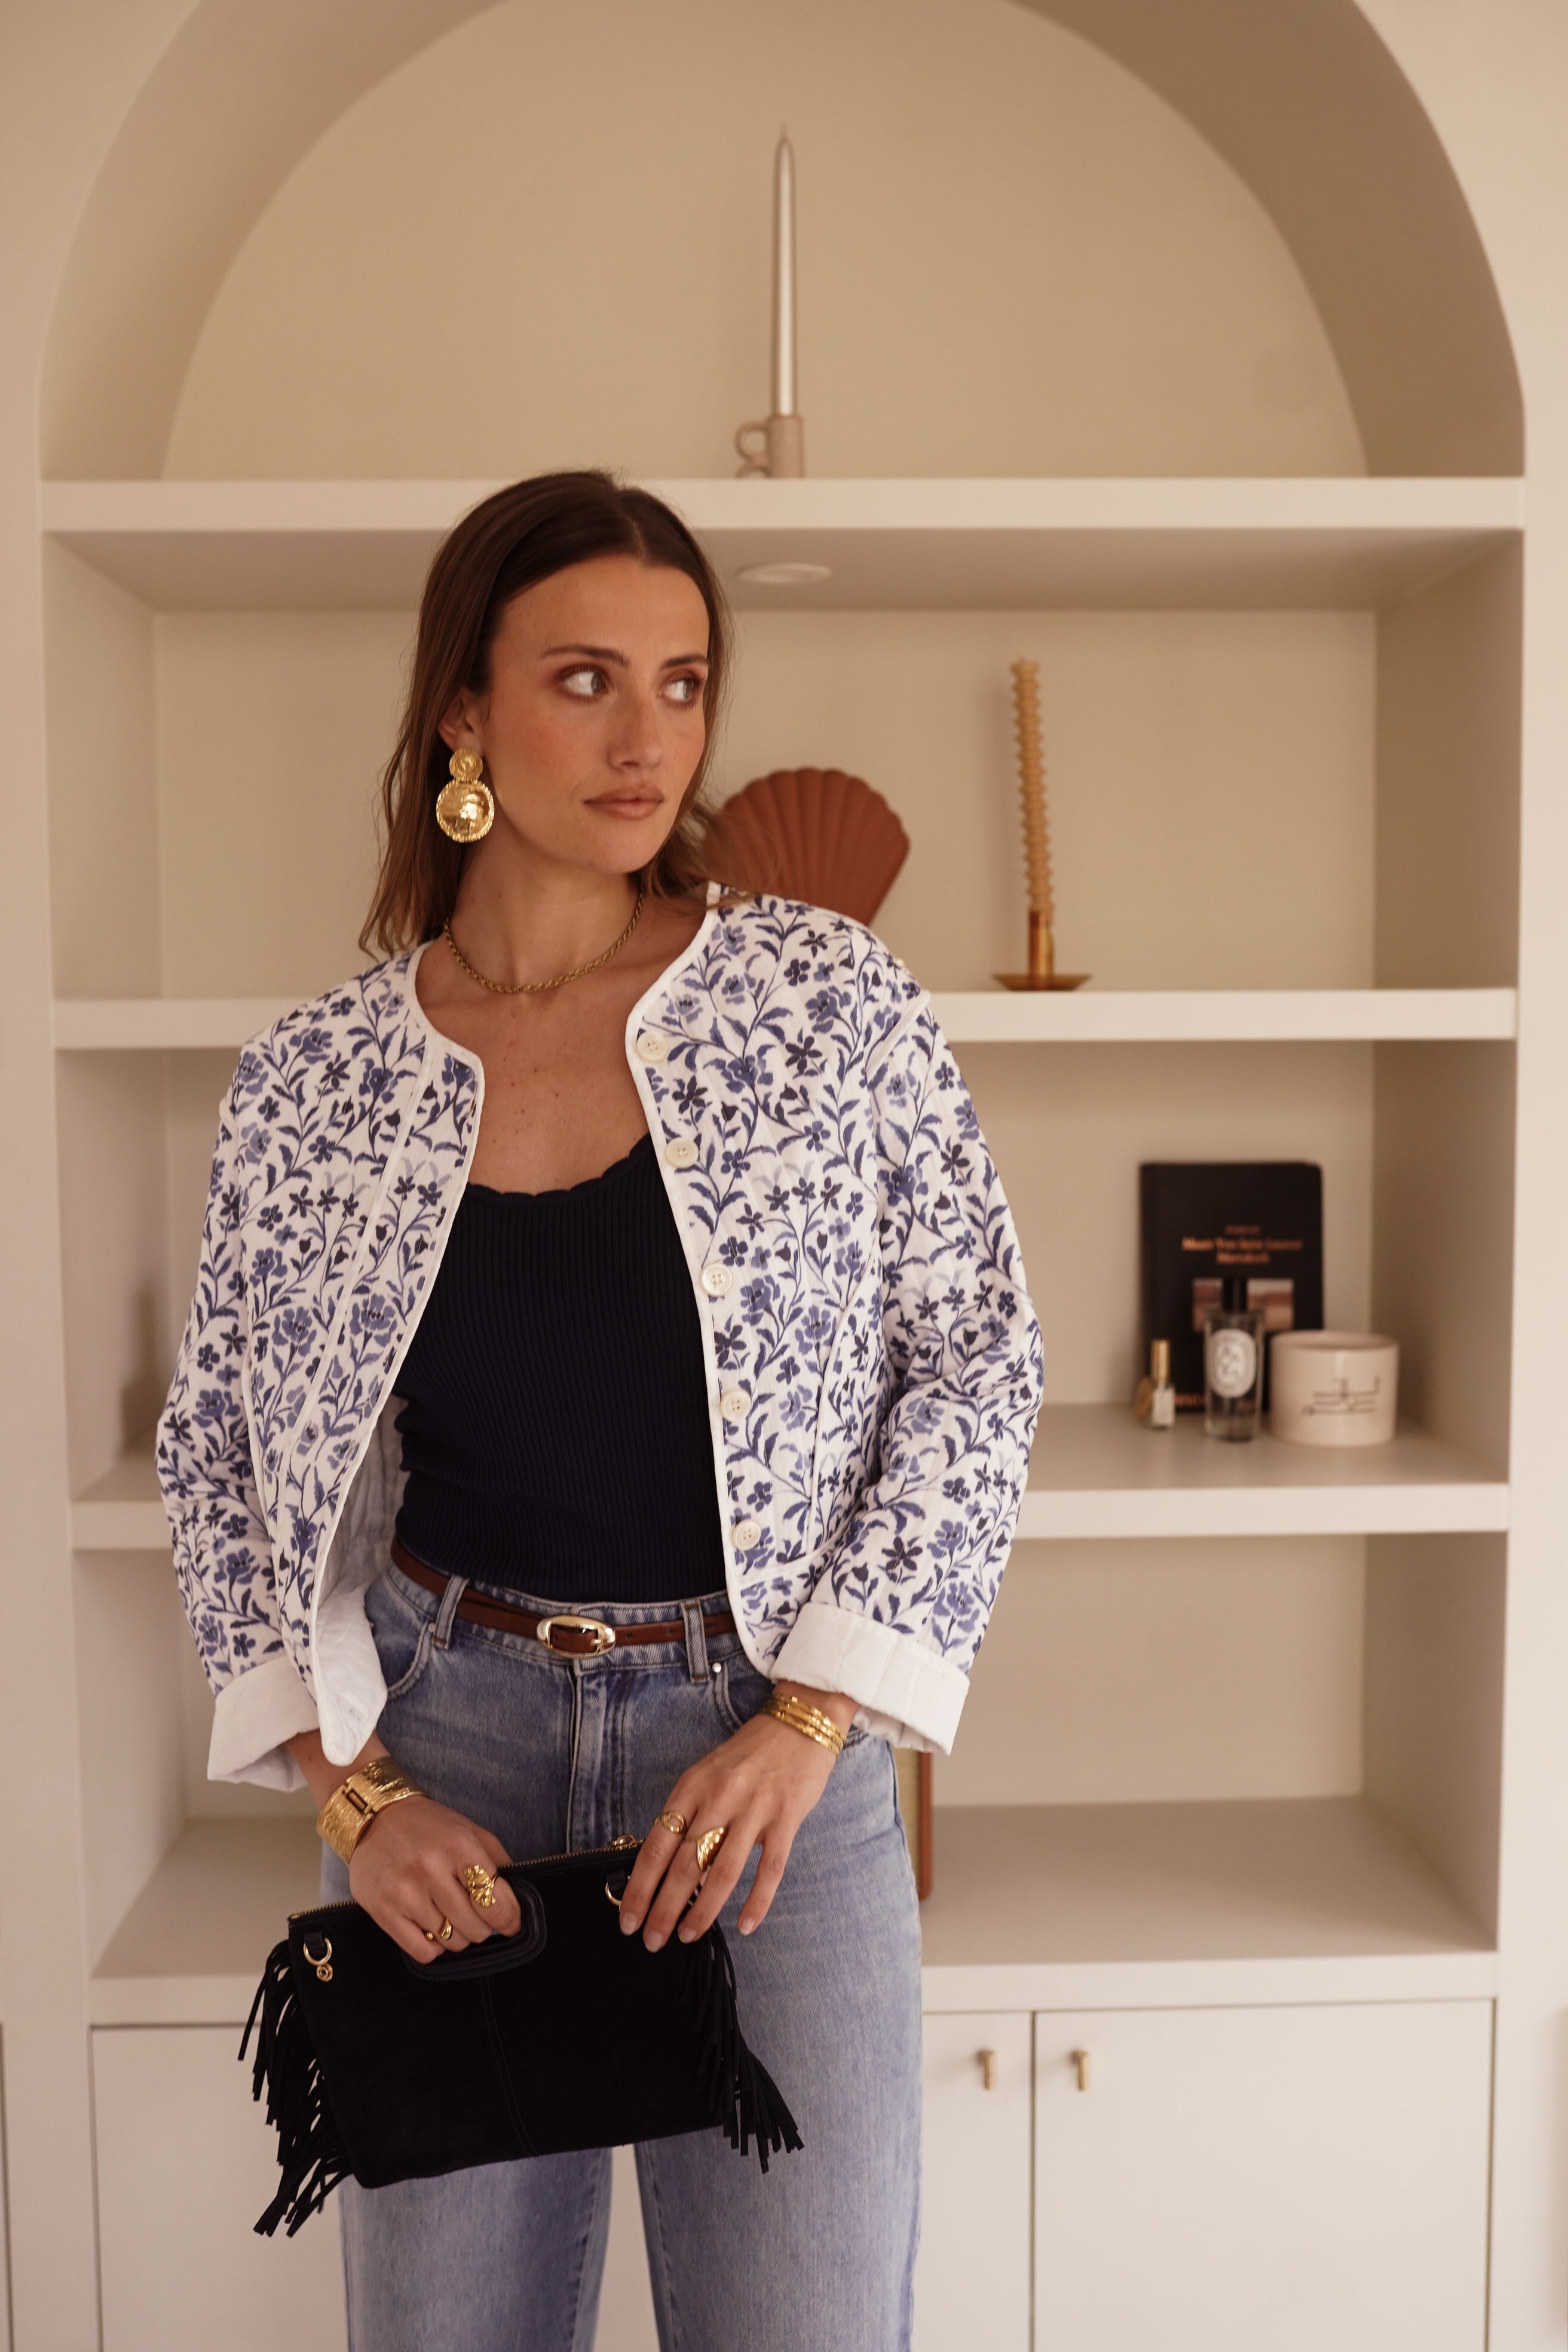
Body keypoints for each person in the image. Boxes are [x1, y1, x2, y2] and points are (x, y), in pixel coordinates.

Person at [159, 470, 1042, 2351]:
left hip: (770, 1761)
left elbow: (979, 1360)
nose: (649, 740)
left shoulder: (825, 1003)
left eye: (683, 682)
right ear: (463, 714)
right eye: (584, 681)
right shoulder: (314, 1079)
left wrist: (812, 1721)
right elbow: (216, 1446)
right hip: (447, 1757)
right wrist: (353, 1797)